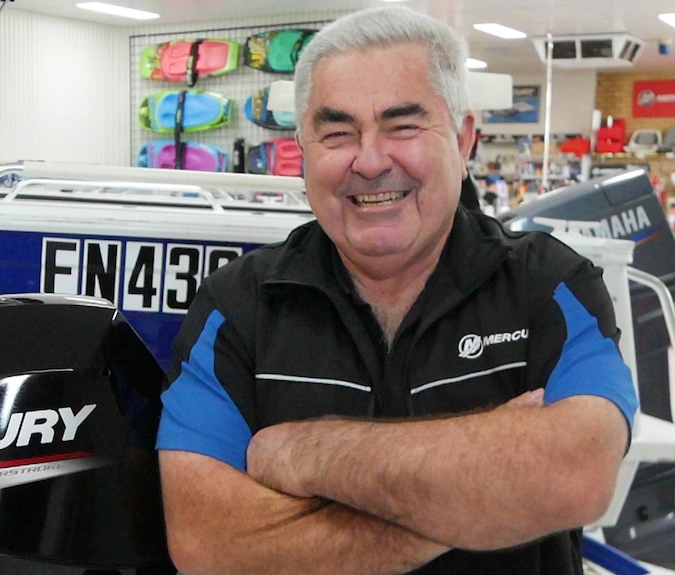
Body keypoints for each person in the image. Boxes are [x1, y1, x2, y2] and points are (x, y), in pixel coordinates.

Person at [155, 5, 638, 575]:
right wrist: (483, 494)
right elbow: (208, 542)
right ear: (303, 152)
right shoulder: (238, 307)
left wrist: (298, 453)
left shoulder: (550, 286)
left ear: (462, 141)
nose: (370, 160)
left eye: (403, 126)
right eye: (337, 132)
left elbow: (574, 477)